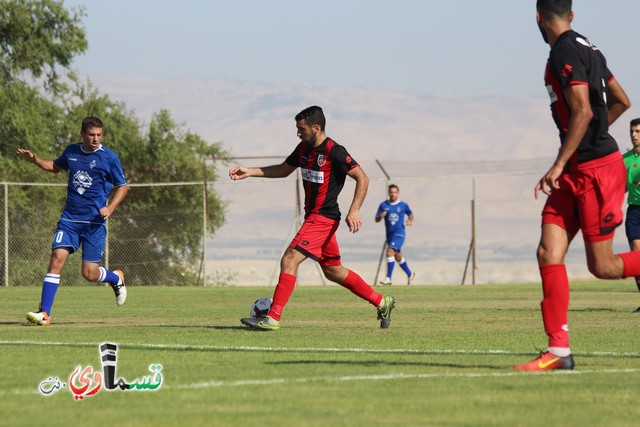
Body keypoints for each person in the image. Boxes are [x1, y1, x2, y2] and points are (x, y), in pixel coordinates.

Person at [514, 0, 640, 371]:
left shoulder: (564, 51)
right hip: (576, 171)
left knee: (603, 266)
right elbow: (621, 101)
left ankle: (559, 350)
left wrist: (562, 158)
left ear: (538, 17)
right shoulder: (590, 46)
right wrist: (577, 150)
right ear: (571, 14)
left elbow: (584, 110)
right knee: (547, 253)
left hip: (596, 172)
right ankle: (558, 350)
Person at [229, 106, 395, 331]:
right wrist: (250, 171)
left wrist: (354, 210)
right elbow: (283, 169)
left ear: (316, 128)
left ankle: (272, 318)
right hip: (315, 219)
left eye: (301, 129)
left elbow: (362, 178)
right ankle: (382, 301)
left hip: (323, 219)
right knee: (333, 270)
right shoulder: (303, 149)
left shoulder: (334, 151)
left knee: (289, 259)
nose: (298, 133)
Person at [16, 116, 129, 326]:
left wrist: (110, 207)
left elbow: (122, 186)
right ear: (82, 134)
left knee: (89, 273)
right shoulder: (72, 151)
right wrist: (35, 160)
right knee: (56, 259)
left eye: (99, 135)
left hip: (94, 224)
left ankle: (115, 278)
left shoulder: (109, 158)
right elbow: (54, 166)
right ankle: (45, 314)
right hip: (69, 220)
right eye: (91, 134)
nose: (95, 139)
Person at [375, 184, 415, 285]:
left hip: (400, 233)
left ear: (398, 193)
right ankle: (410, 274)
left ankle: (388, 278)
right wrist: (381, 216)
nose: (393, 194)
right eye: (391, 192)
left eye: (395, 192)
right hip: (389, 235)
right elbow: (376, 219)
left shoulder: (403, 205)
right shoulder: (383, 205)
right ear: (389, 193)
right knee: (397, 256)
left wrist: (410, 221)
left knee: (389, 252)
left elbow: (410, 214)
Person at [623, 118, 640, 312]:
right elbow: (619, 188)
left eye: (638, 131)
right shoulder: (625, 159)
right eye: (632, 131)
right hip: (634, 211)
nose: (634, 135)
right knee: (636, 256)